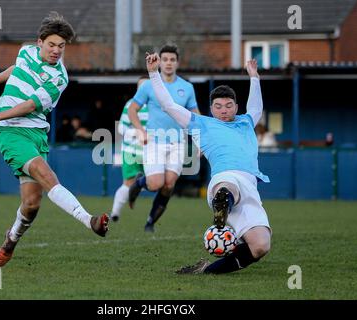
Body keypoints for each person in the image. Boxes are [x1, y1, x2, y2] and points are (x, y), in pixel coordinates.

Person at [0, 12, 109, 267]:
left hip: (35, 131)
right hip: (10, 130)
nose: (56, 50)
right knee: (46, 174)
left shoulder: (60, 78)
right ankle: (90, 220)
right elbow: (18, 67)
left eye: (61, 46)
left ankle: (11, 238)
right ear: (39, 42)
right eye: (52, 45)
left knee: (31, 204)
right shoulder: (25, 51)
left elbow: (29, 106)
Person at [144, 52, 271, 274]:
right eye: (219, 106)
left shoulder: (245, 122)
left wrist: (254, 77)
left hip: (250, 187)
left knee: (260, 246)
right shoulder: (201, 124)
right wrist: (154, 74)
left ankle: (207, 270)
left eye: (229, 105)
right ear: (211, 108)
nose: (224, 110)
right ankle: (222, 204)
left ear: (236, 106)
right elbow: (169, 106)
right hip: (225, 179)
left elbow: (256, 108)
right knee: (228, 186)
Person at [128, 44, 200, 232]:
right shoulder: (149, 85)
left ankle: (150, 223)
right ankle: (139, 184)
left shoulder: (187, 87)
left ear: (177, 62)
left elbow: (195, 116)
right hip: (154, 141)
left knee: (169, 185)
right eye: (165, 59)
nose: (168, 63)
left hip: (177, 142)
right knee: (156, 184)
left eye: (172, 60)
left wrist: (200, 142)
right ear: (159, 62)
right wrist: (139, 130)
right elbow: (132, 109)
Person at [109, 76, 149, 222]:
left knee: (151, 183)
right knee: (128, 183)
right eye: (141, 87)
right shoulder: (131, 104)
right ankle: (115, 213)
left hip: (151, 152)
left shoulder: (158, 106)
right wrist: (139, 133)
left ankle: (135, 191)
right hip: (133, 151)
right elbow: (121, 128)